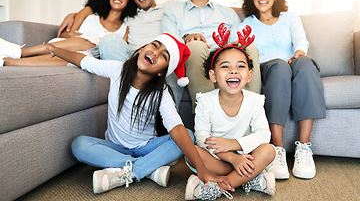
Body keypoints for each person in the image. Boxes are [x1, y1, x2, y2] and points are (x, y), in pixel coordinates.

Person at [44, 33, 234, 194]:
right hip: (115, 147)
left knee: (188, 135)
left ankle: (131, 172)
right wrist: (54, 49)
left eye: (163, 56)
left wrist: (201, 169)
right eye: (154, 46)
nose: (155, 53)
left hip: (146, 146)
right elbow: (83, 61)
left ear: (162, 72)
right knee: (79, 145)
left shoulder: (161, 92)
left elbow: (176, 128)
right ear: (142, 48)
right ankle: (150, 169)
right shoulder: (118, 70)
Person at [231, 0, 326, 180]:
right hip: (271, 70)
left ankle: (304, 148)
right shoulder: (246, 24)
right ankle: (277, 150)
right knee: (280, 67)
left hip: (295, 65)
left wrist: (299, 52)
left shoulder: (290, 17)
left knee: (307, 63)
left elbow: (300, 40)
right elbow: (234, 51)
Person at [58, 0, 185, 109]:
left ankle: (170, 118)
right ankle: (126, 102)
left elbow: (190, 16)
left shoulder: (169, 8)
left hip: (160, 57)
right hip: (131, 59)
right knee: (109, 40)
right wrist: (75, 14)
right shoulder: (129, 15)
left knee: (173, 55)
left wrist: (191, 35)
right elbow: (104, 10)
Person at [184, 25, 276, 200]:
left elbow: (263, 135)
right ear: (213, 76)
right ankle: (248, 179)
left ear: (249, 76)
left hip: (247, 156)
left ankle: (217, 187)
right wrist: (232, 159)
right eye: (225, 67)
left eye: (240, 66)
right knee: (192, 152)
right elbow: (202, 139)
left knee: (269, 150)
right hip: (220, 159)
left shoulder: (254, 101)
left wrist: (233, 144)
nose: (233, 70)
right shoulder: (205, 101)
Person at [161, 0, 262, 114]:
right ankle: (207, 115)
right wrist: (187, 37)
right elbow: (168, 40)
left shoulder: (227, 12)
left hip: (222, 55)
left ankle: (253, 113)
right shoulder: (172, 12)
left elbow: (237, 38)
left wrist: (235, 45)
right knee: (196, 45)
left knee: (250, 47)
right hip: (192, 56)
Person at [0, 0, 137, 67]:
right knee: (89, 40)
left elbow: (116, 53)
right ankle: (22, 52)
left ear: (129, 0)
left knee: (76, 58)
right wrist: (77, 37)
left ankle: (7, 62)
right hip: (65, 45)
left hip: (85, 57)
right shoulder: (89, 11)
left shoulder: (125, 29)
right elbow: (65, 35)